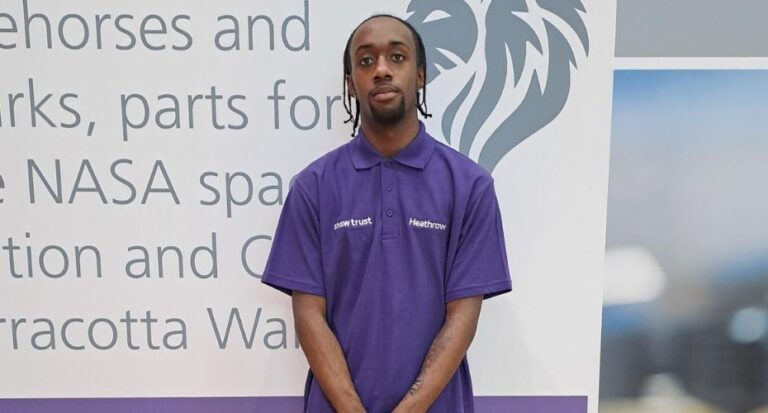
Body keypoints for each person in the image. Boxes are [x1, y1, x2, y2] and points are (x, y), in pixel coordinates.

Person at [262, 14, 512, 413]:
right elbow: (309, 316)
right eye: (365, 61)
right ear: (350, 83)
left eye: (397, 57)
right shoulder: (313, 188)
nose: (381, 70)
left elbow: (462, 318)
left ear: (420, 76)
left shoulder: (469, 186)